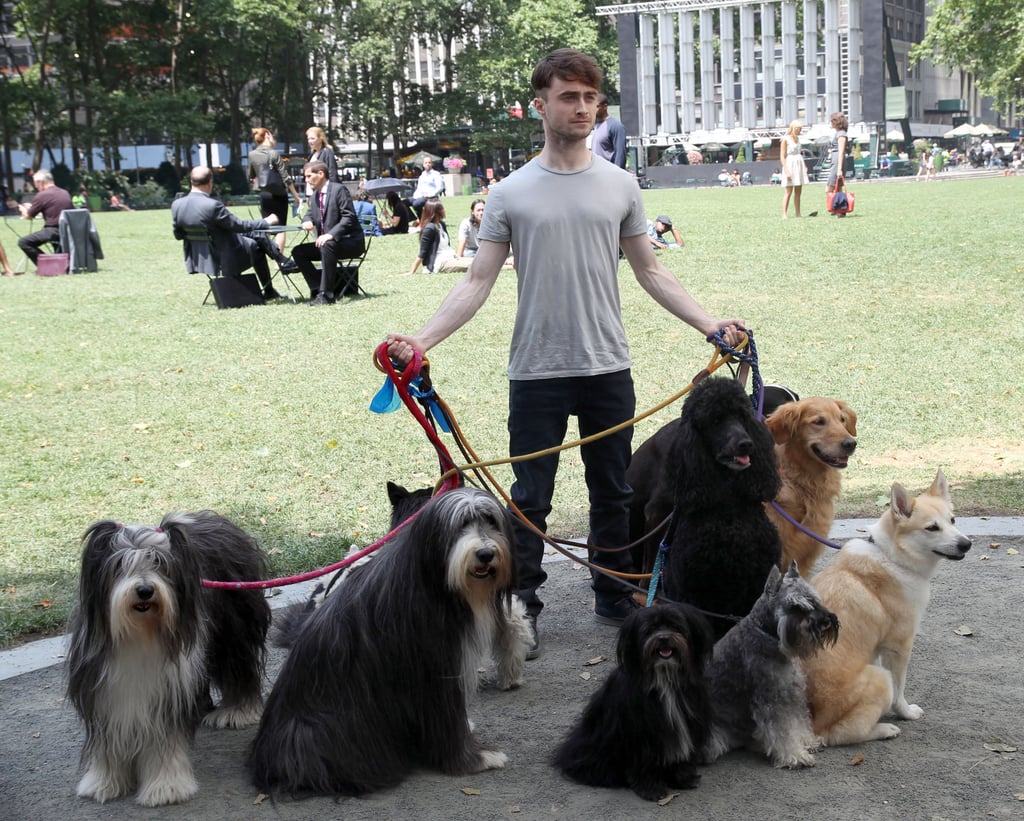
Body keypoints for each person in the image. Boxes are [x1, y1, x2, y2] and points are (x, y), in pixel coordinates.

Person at [384, 49, 744, 658]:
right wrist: (420, 340)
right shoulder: (510, 193)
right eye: (568, 96)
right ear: (542, 104)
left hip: (608, 367)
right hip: (537, 372)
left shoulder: (620, 184)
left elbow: (651, 271)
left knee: (615, 491)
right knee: (530, 499)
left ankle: (613, 593)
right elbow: (476, 282)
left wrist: (711, 323)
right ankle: (520, 605)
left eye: (589, 98)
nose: (581, 108)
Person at [171, 165, 283, 300]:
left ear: (191, 181)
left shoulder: (177, 205)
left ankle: (282, 265)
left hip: (200, 257)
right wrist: (267, 221)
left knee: (254, 239)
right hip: (226, 256)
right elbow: (239, 226)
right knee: (257, 245)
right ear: (210, 182)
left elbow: (178, 235)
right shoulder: (212, 206)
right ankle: (274, 280)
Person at [291, 160, 364, 306]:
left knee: (327, 245)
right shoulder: (315, 196)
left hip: (350, 242)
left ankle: (327, 295)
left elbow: (349, 217)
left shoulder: (338, 190)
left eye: (308, 176)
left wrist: (331, 234)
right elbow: (309, 214)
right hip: (328, 244)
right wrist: (307, 221)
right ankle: (318, 288)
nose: (306, 180)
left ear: (320, 174)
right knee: (298, 252)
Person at [248, 127, 302, 260]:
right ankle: (279, 260)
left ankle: (266, 256)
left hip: (264, 194)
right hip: (279, 194)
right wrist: (296, 196)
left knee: (266, 227)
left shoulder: (252, 154)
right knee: (280, 228)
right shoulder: (274, 153)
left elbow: (251, 175)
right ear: (267, 135)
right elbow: (286, 177)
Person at [17, 169, 73, 266]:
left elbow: (28, 216)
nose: (36, 187)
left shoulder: (42, 195)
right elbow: (53, 207)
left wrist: (22, 209)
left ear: (40, 182)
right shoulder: (65, 193)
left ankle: (48, 266)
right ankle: (60, 264)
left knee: (24, 242)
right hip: (69, 230)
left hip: (53, 231)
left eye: (36, 184)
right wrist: (33, 207)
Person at [406, 200, 469, 274]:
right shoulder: (429, 228)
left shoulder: (441, 225)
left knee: (477, 261)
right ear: (435, 212)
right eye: (442, 209)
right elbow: (422, 253)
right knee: (473, 265)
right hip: (440, 262)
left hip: (452, 257)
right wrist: (412, 271)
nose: (444, 210)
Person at [780, 119, 810, 218]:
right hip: (790, 164)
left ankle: (798, 213)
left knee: (798, 190)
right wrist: (786, 170)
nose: (800, 130)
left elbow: (799, 153)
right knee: (788, 190)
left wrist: (804, 166)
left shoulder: (798, 139)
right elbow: (782, 156)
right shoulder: (785, 139)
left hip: (799, 163)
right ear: (794, 128)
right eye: (798, 128)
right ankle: (784, 213)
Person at [591, 93, 627, 168]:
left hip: (609, 174)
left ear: (605, 106)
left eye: (597, 106)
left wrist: (617, 176)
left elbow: (620, 154)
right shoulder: (595, 125)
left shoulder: (615, 126)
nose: (593, 109)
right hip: (596, 173)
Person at [826, 112, 850, 216]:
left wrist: (839, 168)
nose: (830, 123)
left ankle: (836, 207)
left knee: (829, 187)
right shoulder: (839, 134)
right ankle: (839, 209)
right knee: (837, 186)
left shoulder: (841, 134)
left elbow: (841, 151)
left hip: (837, 162)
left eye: (832, 121)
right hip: (835, 160)